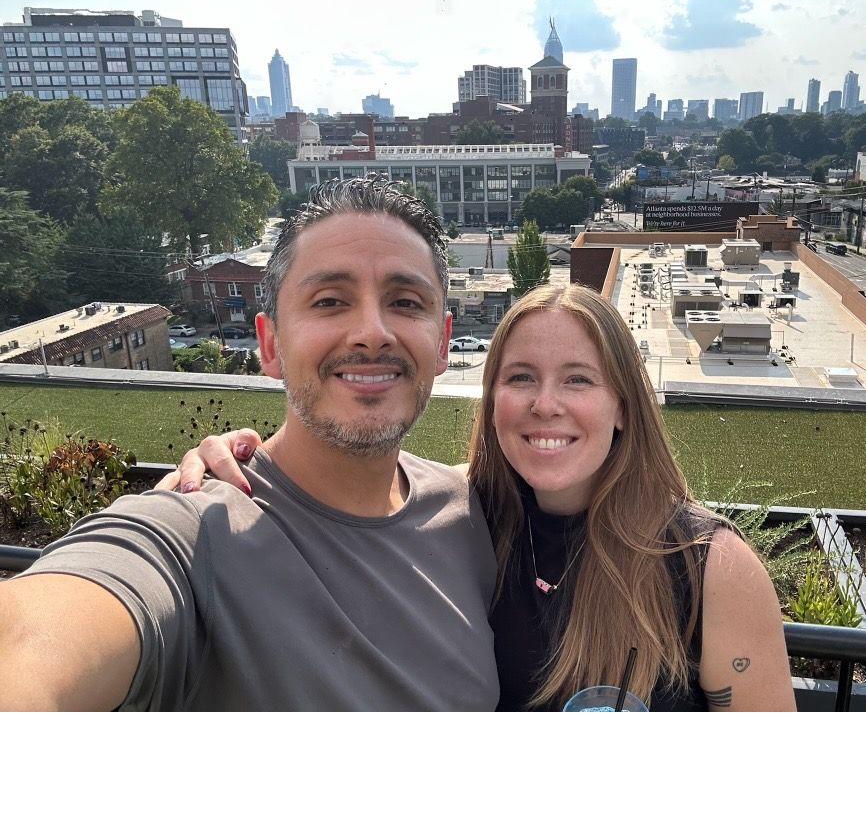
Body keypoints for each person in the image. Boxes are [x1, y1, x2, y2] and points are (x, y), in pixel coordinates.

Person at [171, 284, 796, 712]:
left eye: (577, 379)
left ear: (624, 407)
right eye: (520, 377)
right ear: (492, 398)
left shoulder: (706, 565)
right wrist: (234, 469)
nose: (544, 404)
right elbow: (345, 494)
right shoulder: (459, 517)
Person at [0, 177, 499, 711]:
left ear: (443, 342)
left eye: (405, 301)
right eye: (330, 301)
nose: (372, 331)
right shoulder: (197, 535)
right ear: (271, 344)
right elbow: (31, 639)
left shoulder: (470, 510)